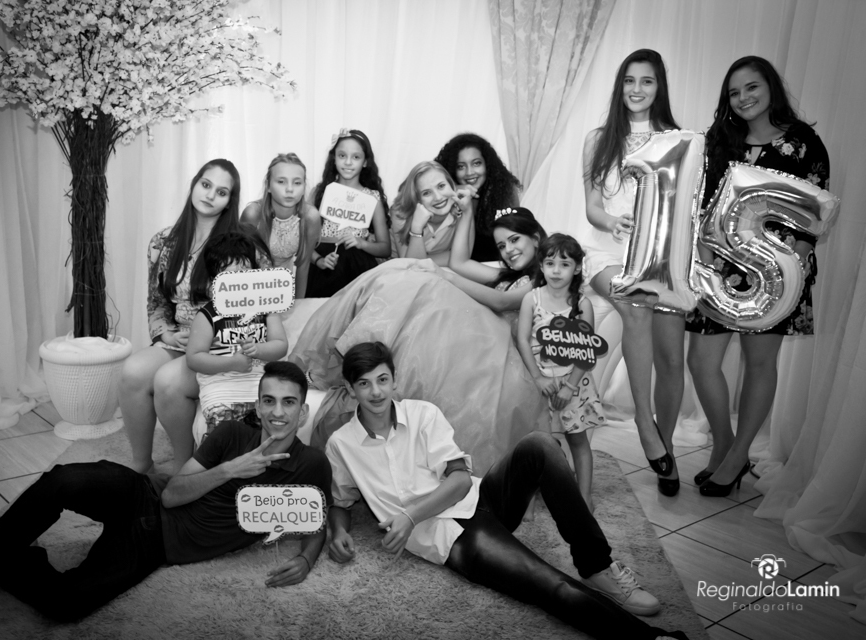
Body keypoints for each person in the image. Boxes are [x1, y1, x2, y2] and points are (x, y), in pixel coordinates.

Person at [0, 362, 331, 620]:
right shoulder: (231, 434)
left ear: (303, 410)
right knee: (64, 480)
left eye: (288, 402)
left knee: (67, 605)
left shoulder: (312, 464)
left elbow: (317, 519)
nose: (278, 412)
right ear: (257, 405)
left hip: (155, 544)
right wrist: (232, 469)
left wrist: (307, 559)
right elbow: (172, 494)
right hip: (142, 495)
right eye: (269, 401)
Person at [325, 342, 689, 640]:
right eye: (364, 384)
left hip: (482, 500)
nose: (376, 391)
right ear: (351, 389)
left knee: (540, 444)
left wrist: (408, 516)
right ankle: (650, 638)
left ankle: (596, 565)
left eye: (383, 379)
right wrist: (339, 531)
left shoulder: (422, 414)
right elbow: (341, 500)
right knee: (549, 583)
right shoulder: (341, 444)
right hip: (454, 539)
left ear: (394, 380)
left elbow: (460, 481)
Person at [288, 208, 553, 472]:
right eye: (502, 246)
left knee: (428, 288)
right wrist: (467, 213)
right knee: (406, 272)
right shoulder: (507, 276)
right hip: (486, 331)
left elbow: (501, 301)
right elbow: (460, 262)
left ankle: (355, 359)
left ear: (536, 239)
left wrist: (444, 275)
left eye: (515, 240)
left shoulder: (544, 281)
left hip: (502, 344)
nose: (509, 250)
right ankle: (356, 356)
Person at [686, 56, 830, 497]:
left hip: (776, 272)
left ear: (770, 88)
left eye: (752, 87)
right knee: (701, 361)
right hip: (720, 267)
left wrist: (794, 265)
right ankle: (725, 444)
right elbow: (701, 203)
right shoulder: (719, 140)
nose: (743, 97)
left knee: (759, 363)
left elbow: (814, 209)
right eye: (734, 92)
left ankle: (736, 456)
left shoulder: (803, 142)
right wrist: (705, 260)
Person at [581, 49, 685, 496]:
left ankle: (666, 445)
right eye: (629, 80)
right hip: (607, 254)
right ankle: (645, 422)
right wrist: (612, 222)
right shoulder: (598, 140)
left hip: (660, 260)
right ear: (619, 86)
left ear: (659, 87)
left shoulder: (676, 141)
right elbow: (592, 206)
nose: (636, 89)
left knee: (672, 357)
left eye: (646, 81)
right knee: (636, 308)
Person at [119, 159, 250, 474]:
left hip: (219, 345)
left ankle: (183, 468)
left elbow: (252, 309)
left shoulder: (241, 245)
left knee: (167, 381)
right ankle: (141, 467)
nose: (210, 195)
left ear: (230, 201)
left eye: (221, 192)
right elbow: (156, 302)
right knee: (133, 372)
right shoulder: (163, 242)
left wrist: (209, 336)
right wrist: (165, 334)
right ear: (194, 184)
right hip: (178, 339)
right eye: (205, 185)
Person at [517, 234, 605, 511]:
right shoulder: (531, 299)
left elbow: (587, 350)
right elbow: (522, 340)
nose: (556, 270)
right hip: (539, 381)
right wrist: (538, 377)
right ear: (541, 266)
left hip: (574, 382)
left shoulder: (582, 304)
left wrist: (569, 387)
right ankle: (527, 497)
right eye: (550, 263)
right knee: (534, 441)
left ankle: (584, 496)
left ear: (577, 268)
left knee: (577, 439)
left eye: (564, 264)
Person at [187, 233, 288, 439]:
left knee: (273, 435)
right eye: (230, 276)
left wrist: (258, 349)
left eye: (244, 272)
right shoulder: (207, 315)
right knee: (226, 440)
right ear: (214, 282)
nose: (239, 282)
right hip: (221, 389)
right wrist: (232, 363)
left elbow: (281, 345)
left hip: (261, 385)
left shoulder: (266, 308)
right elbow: (194, 358)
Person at [305, 128, 391, 297]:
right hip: (322, 266)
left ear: (365, 162)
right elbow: (303, 239)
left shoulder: (372, 198)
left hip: (358, 268)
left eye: (356, 157)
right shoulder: (320, 193)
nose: (348, 162)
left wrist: (362, 243)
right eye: (342, 155)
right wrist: (319, 260)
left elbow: (385, 248)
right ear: (334, 159)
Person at [241, 153, 322, 298]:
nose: (290, 189)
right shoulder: (253, 214)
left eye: (297, 183)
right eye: (281, 182)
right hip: (251, 289)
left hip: (285, 287)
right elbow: (240, 263)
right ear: (268, 186)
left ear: (304, 186)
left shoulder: (311, 217)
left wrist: (298, 304)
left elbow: (303, 265)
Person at [435, 133, 523, 263]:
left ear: (487, 164)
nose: (469, 172)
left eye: (476, 163)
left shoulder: (504, 190)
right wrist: (452, 193)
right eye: (461, 166)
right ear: (452, 169)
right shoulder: (443, 195)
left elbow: (514, 239)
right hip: (454, 264)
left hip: (496, 264)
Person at [388, 161, 465, 266]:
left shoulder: (461, 209)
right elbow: (410, 265)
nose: (438, 197)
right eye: (426, 193)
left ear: (451, 184)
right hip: (391, 267)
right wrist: (416, 227)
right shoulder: (400, 213)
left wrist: (422, 260)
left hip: (433, 269)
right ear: (417, 198)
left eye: (441, 186)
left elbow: (463, 256)